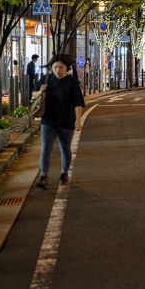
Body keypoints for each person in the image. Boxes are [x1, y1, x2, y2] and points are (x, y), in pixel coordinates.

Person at [36, 53, 85, 189]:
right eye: (56, 67)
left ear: (66, 68)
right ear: (52, 67)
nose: (58, 70)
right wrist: (40, 90)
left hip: (66, 120)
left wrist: (78, 121)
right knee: (45, 149)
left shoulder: (71, 82)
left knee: (65, 149)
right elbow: (33, 94)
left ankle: (64, 173)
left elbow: (78, 103)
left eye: (61, 67)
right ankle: (43, 176)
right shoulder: (45, 79)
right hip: (48, 121)